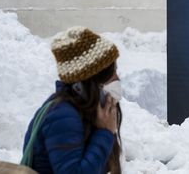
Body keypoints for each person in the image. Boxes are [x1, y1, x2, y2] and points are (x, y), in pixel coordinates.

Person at [23, 26, 122, 174]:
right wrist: (105, 133)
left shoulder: (80, 111)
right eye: (112, 73)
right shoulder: (63, 116)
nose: (117, 79)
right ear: (93, 81)